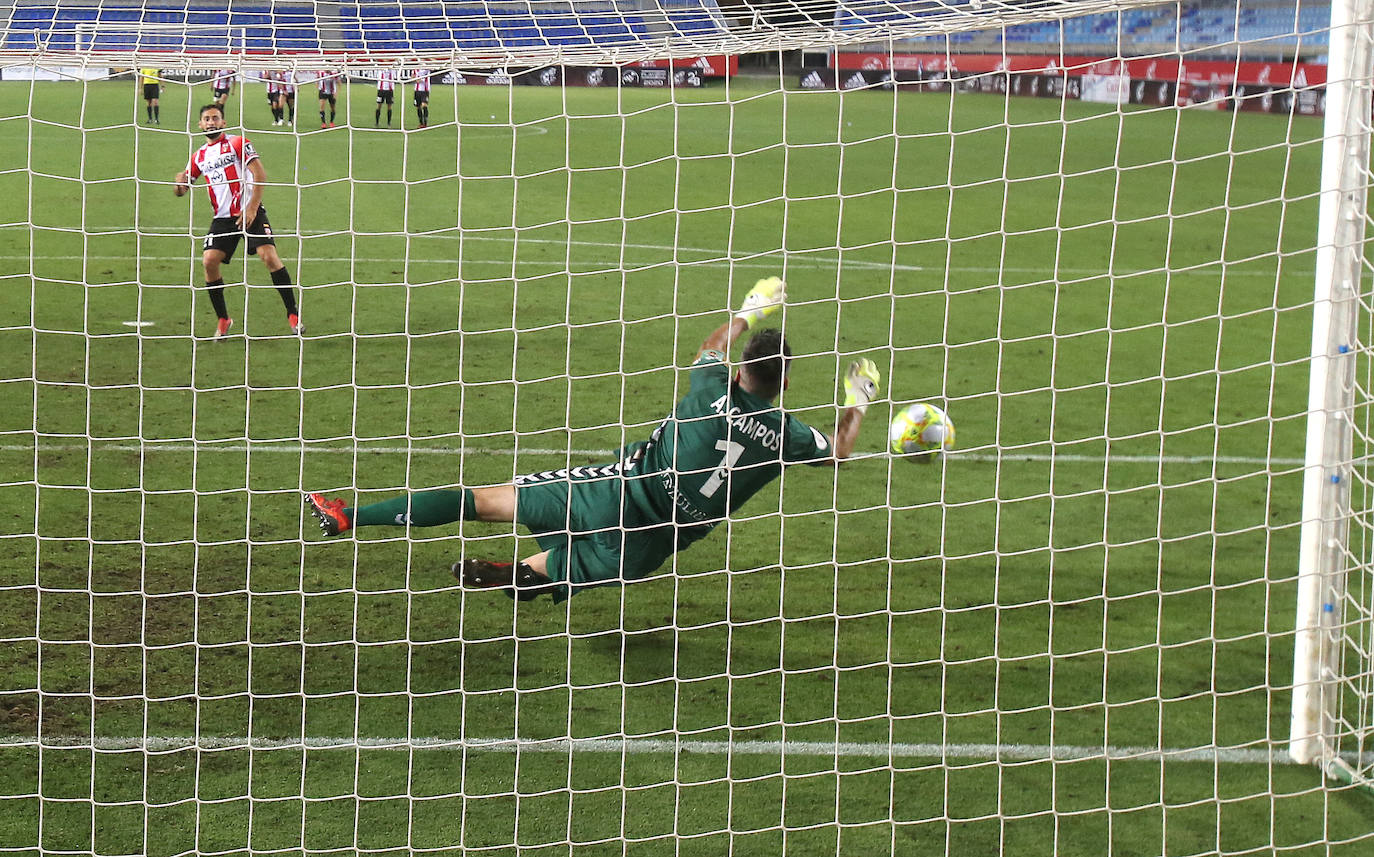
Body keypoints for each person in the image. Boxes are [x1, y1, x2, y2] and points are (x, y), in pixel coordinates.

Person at [305, 277, 882, 602]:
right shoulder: (784, 433)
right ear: (785, 384)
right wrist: (857, 399)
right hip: (653, 546)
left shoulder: (712, 386)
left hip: (617, 492)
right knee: (569, 563)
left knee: (488, 501)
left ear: (740, 373)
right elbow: (839, 449)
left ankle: (351, 515)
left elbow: (709, 348)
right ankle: (523, 576)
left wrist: (747, 312)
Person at [173, 104, 303, 338]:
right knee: (209, 261)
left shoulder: (237, 143)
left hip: (249, 211)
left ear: (223, 123)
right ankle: (224, 319)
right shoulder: (199, 156)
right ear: (200, 125)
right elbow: (183, 189)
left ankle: (292, 315)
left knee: (269, 257)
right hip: (222, 218)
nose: (211, 122)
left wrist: (252, 207)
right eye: (206, 119)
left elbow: (260, 174)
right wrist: (179, 184)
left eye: (215, 118)